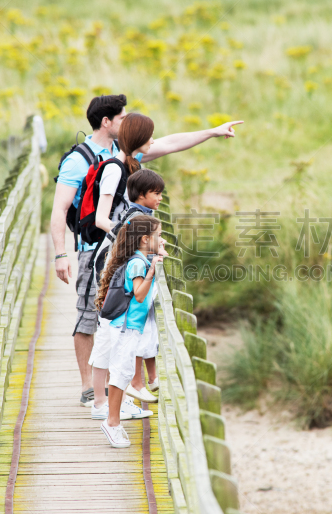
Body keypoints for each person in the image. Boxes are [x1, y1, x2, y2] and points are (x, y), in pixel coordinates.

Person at [51, 93, 242, 407]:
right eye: (123, 117)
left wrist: (211, 131)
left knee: (119, 314)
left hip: (122, 249)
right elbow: (59, 210)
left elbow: (168, 142)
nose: (128, 121)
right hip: (94, 246)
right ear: (106, 122)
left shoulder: (124, 153)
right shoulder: (80, 159)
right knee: (90, 314)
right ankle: (90, 388)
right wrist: (61, 254)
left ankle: (115, 388)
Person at [88, 169, 166, 419]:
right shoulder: (137, 221)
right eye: (157, 193)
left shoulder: (135, 218)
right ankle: (108, 411)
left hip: (113, 294)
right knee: (111, 357)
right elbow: (140, 294)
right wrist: (152, 267)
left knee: (110, 355)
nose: (161, 198)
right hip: (118, 305)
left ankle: (109, 404)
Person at [95, 215, 163, 448]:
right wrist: (152, 271)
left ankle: (113, 421)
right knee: (121, 372)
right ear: (145, 239)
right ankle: (112, 423)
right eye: (158, 236)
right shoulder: (138, 263)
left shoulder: (141, 259)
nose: (161, 239)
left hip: (130, 326)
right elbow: (139, 294)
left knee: (122, 372)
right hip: (125, 327)